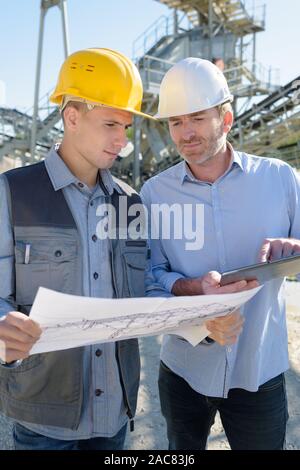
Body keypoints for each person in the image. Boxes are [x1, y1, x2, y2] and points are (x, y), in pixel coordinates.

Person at [141, 57, 300, 450]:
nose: (185, 132)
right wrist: (192, 289)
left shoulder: (279, 178)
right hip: (183, 371)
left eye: (197, 117)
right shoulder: (153, 195)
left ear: (226, 119)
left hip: (258, 371)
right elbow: (149, 276)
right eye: (175, 122)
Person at [0, 47, 153, 450]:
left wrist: (195, 302)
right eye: (110, 124)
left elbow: (144, 289)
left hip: (114, 417)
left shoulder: (129, 203)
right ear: (72, 117)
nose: (122, 140)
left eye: (127, 126)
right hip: (44, 420)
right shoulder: (13, 193)